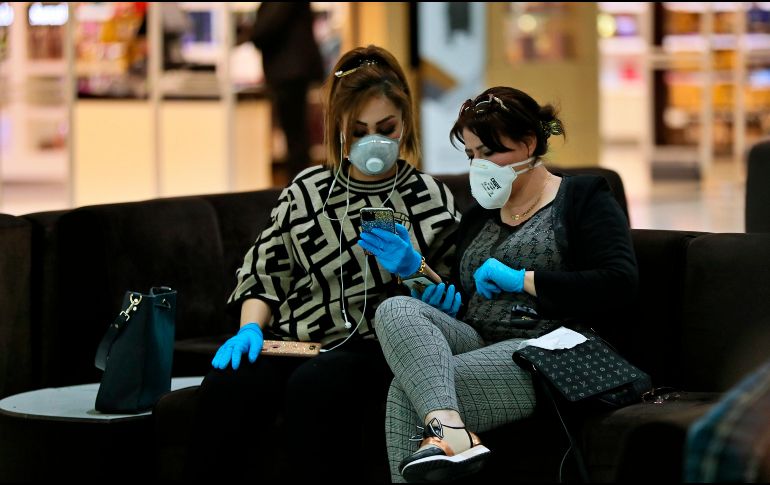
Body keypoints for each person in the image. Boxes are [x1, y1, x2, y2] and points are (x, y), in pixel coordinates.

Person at [183, 45, 462, 483]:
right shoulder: (307, 189)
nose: (375, 141)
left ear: (405, 124)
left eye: (387, 129)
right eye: (359, 130)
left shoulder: (428, 197)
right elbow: (264, 268)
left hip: (374, 346)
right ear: (339, 130)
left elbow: (452, 294)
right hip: (298, 340)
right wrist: (250, 329)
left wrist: (419, 270)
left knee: (317, 386)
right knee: (228, 384)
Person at [366, 86, 639, 483]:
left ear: (528, 143)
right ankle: (454, 433)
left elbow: (619, 283)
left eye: (490, 153)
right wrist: (418, 272)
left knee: (407, 392)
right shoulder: (480, 215)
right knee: (393, 309)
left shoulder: (583, 197)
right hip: (479, 339)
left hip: (546, 350)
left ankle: (448, 432)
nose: (479, 165)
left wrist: (523, 279)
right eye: (472, 154)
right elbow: (467, 302)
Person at [243, 2, 325, 182]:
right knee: (297, 138)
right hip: (292, 72)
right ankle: (300, 187)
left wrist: (251, 32)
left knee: (296, 140)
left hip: (289, 73)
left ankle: (299, 189)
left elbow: (264, 29)